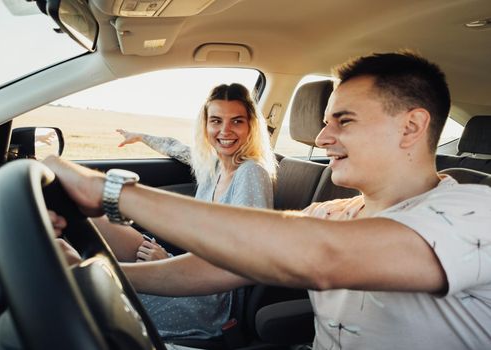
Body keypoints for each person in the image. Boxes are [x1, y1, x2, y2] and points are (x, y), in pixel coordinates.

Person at [46, 51, 491, 349]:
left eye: (344, 120)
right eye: (324, 121)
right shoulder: (336, 212)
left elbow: (322, 256)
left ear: (411, 127)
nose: (322, 137)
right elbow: (226, 263)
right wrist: (99, 276)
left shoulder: (475, 213)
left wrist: (112, 192)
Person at [88, 83, 277, 341]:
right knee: (94, 218)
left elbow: (245, 256)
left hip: (212, 297)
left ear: (251, 127)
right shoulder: (215, 166)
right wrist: (142, 136)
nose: (225, 131)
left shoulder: (251, 172)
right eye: (216, 121)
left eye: (237, 121)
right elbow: (179, 150)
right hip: (187, 264)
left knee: (103, 295)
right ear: (206, 125)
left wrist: (166, 262)